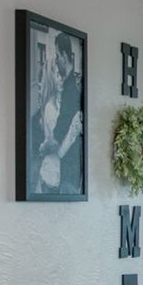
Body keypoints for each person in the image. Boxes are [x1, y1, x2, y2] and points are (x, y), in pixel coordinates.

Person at [34, 31, 83, 194]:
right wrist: (76, 126)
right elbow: (60, 150)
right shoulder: (50, 108)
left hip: (56, 177)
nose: (60, 75)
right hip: (51, 177)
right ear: (50, 78)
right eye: (56, 74)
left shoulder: (64, 99)